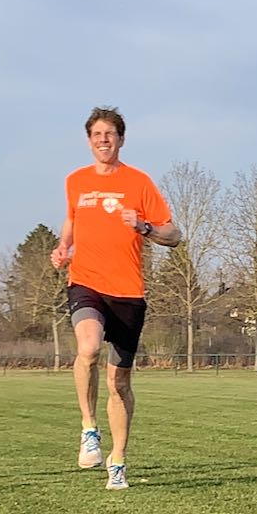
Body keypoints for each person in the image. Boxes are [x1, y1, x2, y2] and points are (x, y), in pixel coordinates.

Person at [50, 106, 181, 490]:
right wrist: (63, 247)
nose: (103, 140)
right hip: (86, 282)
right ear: (89, 141)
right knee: (88, 348)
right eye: (96, 135)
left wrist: (143, 226)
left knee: (119, 382)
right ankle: (89, 428)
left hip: (128, 291)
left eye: (110, 134)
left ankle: (118, 460)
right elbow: (71, 220)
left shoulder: (139, 183)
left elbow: (173, 234)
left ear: (121, 140)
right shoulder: (75, 181)